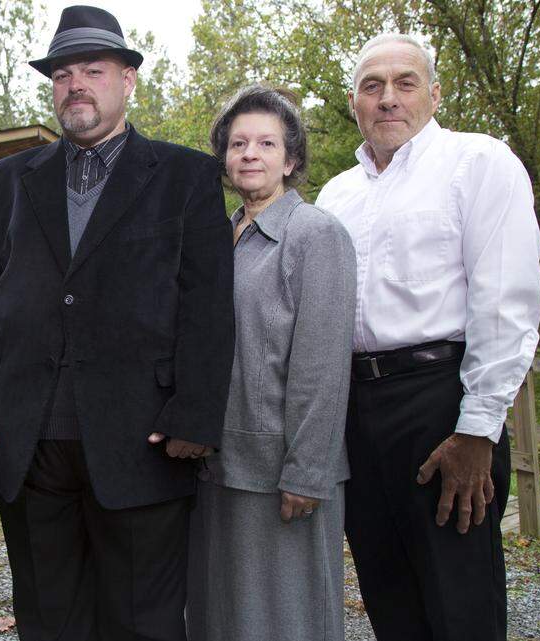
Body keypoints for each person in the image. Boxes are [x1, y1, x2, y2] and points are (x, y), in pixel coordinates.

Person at [0, 6, 234, 640]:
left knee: (142, 621)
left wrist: (196, 414)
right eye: (63, 74)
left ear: (128, 79)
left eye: (93, 70)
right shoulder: (5, 182)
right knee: (49, 618)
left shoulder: (185, 177)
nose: (76, 84)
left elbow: (209, 305)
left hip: (144, 439)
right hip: (30, 437)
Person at [315, 33, 540, 641]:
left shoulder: (479, 163)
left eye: (405, 83)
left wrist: (477, 428)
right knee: (389, 593)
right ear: (354, 101)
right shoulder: (337, 196)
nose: (388, 98)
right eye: (372, 86)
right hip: (356, 411)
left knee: (458, 598)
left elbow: (505, 301)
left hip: (442, 403)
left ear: (434, 94)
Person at [186, 85, 356, 641]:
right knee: (223, 619)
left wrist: (307, 470)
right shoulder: (220, 236)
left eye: (266, 143)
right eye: (238, 144)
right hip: (220, 465)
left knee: (287, 621)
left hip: (283, 472)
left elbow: (323, 364)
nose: (250, 154)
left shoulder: (315, 234)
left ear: (292, 158)